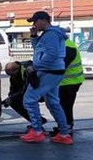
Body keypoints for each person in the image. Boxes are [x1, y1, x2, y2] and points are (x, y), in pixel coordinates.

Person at [19, 11, 72, 145]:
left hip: (48, 71)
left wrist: (36, 67)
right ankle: (64, 134)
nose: (34, 25)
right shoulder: (50, 34)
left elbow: (52, 55)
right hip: (55, 71)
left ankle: (37, 132)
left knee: (29, 99)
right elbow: (40, 50)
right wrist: (33, 36)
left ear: (43, 20)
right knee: (53, 102)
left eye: (35, 22)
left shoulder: (51, 35)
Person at [53, 38, 83, 137]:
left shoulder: (68, 47)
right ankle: (65, 126)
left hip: (70, 82)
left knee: (65, 106)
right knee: (63, 105)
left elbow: (61, 65)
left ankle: (67, 128)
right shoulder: (65, 45)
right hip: (68, 82)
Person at [3, 61, 48, 128]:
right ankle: (37, 122)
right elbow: (13, 88)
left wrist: (11, 98)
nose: (12, 76)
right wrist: (9, 98)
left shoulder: (26, 71)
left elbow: (26, 88)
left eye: (12, 74)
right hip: (33, 91)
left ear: (16, 69)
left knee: (28, 102)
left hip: (40, 90)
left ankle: (37, 124)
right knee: (14, 102)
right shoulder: (15, 74)